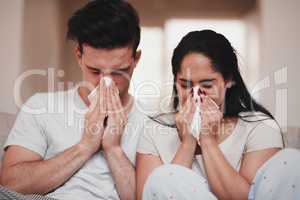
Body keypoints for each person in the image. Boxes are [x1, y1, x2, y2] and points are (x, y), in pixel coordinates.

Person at [0, 0, 145, 200]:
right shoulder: (40, 106)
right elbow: (10, 184)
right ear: (79, 56)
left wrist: (114, 149)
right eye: (95, 71)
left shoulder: (152, 120)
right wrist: (84, 146)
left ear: (135, 60)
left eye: (119, 72)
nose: (106, 82)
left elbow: (152, 196)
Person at [136, 30, 300, 200]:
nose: (196, 94)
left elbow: (251, 197)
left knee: (291, 159)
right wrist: (188, 143)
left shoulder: (260, 126)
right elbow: (153, 193)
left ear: (229, 80)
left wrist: (208, 140)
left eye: (207, 85)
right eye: (185, 85)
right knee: (163, 177)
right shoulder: (154, 129)